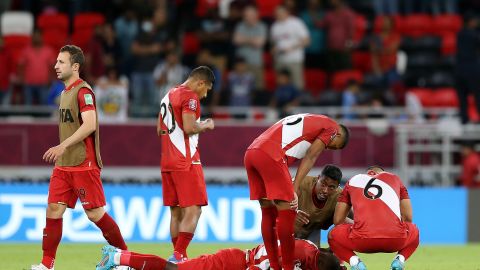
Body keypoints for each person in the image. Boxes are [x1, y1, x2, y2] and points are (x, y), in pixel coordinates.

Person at [31, 45, 127, 270]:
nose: (56, 66)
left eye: (61, 62)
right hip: (64, 166)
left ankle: (124, 258)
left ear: (75, 67)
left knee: (95, 214)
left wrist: (63, 145)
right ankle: (47, 265)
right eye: (56, 62)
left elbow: (90, 123)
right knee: (53, 209)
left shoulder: (83, 91)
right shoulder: (63, 93)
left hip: (84, 163)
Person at [244, 113, 350, 270]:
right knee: (287, 214)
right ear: (338, 134)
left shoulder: (312, 119)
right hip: (272, 154)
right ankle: (287, 267)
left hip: (252, 152)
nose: (328, 147)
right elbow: (310, 157)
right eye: (334, 145)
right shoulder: (332, 128)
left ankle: (274, 265)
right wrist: (293, 188)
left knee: (268, 212)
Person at [157, 66, 216, 263]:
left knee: (176, 211)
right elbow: (190, 128)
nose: (205, 94)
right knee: (194, 209)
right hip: (186, 160)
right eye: (206, 89)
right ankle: (179, 255)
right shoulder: (190, 98)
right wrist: (206, 125)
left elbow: (160, 130)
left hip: (167, 161)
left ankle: (178, 256)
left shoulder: (169, 94)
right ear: (200, 82)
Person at [328, 166, 420, 270]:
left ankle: (355, 263)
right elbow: (408, 218)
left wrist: (357, 225)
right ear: (381, 173)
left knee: (332, 235)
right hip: (396, 240)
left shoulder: (354, 180)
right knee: (414, 230)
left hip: (362, 241)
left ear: (369, 173)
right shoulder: (395, 179)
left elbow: (337, 220)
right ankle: (399, 260)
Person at [96, 238, 342, 270]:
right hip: (231, 262)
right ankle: (117, 257)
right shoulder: (298, 252)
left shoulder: (312, 254)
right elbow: (261, 264)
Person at [295, 165, 351, 247]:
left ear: (337, 187)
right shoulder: (301, 183)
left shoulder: (340, 196)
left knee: (314, 257)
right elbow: (278, 202)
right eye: (323, 184)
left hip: (313, 230)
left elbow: (348, 217)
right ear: (318, 178)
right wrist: (292, 213)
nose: (325, 190)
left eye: (331, 187)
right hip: (289, 228)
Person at [270, 5, 310, 90]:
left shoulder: (296, 23)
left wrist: (291, 48)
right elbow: (274, 44)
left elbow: (307, 41)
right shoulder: (274, 27)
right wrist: (274, 50)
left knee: (297, 86)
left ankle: (297, 103)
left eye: (280, 13)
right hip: (279, 61)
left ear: (286, 13)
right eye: (276, 14)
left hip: (294, 60)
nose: (278, 15)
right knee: (281, 87)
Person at [455, 13, 480, 124]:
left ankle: (464, 120)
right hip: (472, 69)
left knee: (462, 98)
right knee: (478, 95)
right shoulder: (474, 35)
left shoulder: (459, 34)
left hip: (459, 69)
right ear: (470, 21)